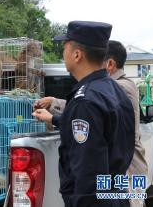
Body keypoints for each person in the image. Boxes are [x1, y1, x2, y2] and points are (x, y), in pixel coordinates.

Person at [32, 21, 135, 207]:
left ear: (77, 54)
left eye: (65, 47)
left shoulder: (86, 101)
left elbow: (88, 174)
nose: (63, 53)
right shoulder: (114, 90)